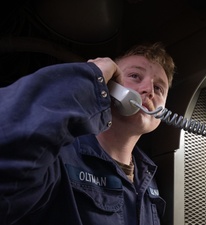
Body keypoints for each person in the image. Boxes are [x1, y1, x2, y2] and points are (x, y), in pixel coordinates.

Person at [0, 42, 175, 225]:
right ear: (108, 84)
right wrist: (89, 79)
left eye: (159, 89)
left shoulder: (149, 180)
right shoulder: (57, 156)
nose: (149, 90)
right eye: (135, 76)